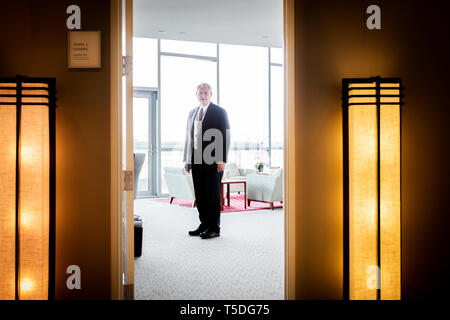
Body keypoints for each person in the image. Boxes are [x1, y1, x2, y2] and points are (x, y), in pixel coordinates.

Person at [183, 83, 230, 239]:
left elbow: (225, 135)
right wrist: (187, 159)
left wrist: (221, 159)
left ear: (211, 94)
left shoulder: (219, 112)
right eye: (200, 93)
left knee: (212, 195)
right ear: (196, 94)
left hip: (213, 161)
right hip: (196, 160)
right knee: (201, 195)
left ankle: (214, 228)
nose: (203, 96)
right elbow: (189, 138)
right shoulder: (192, 113)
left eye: (205, 93)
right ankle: (203, 224)